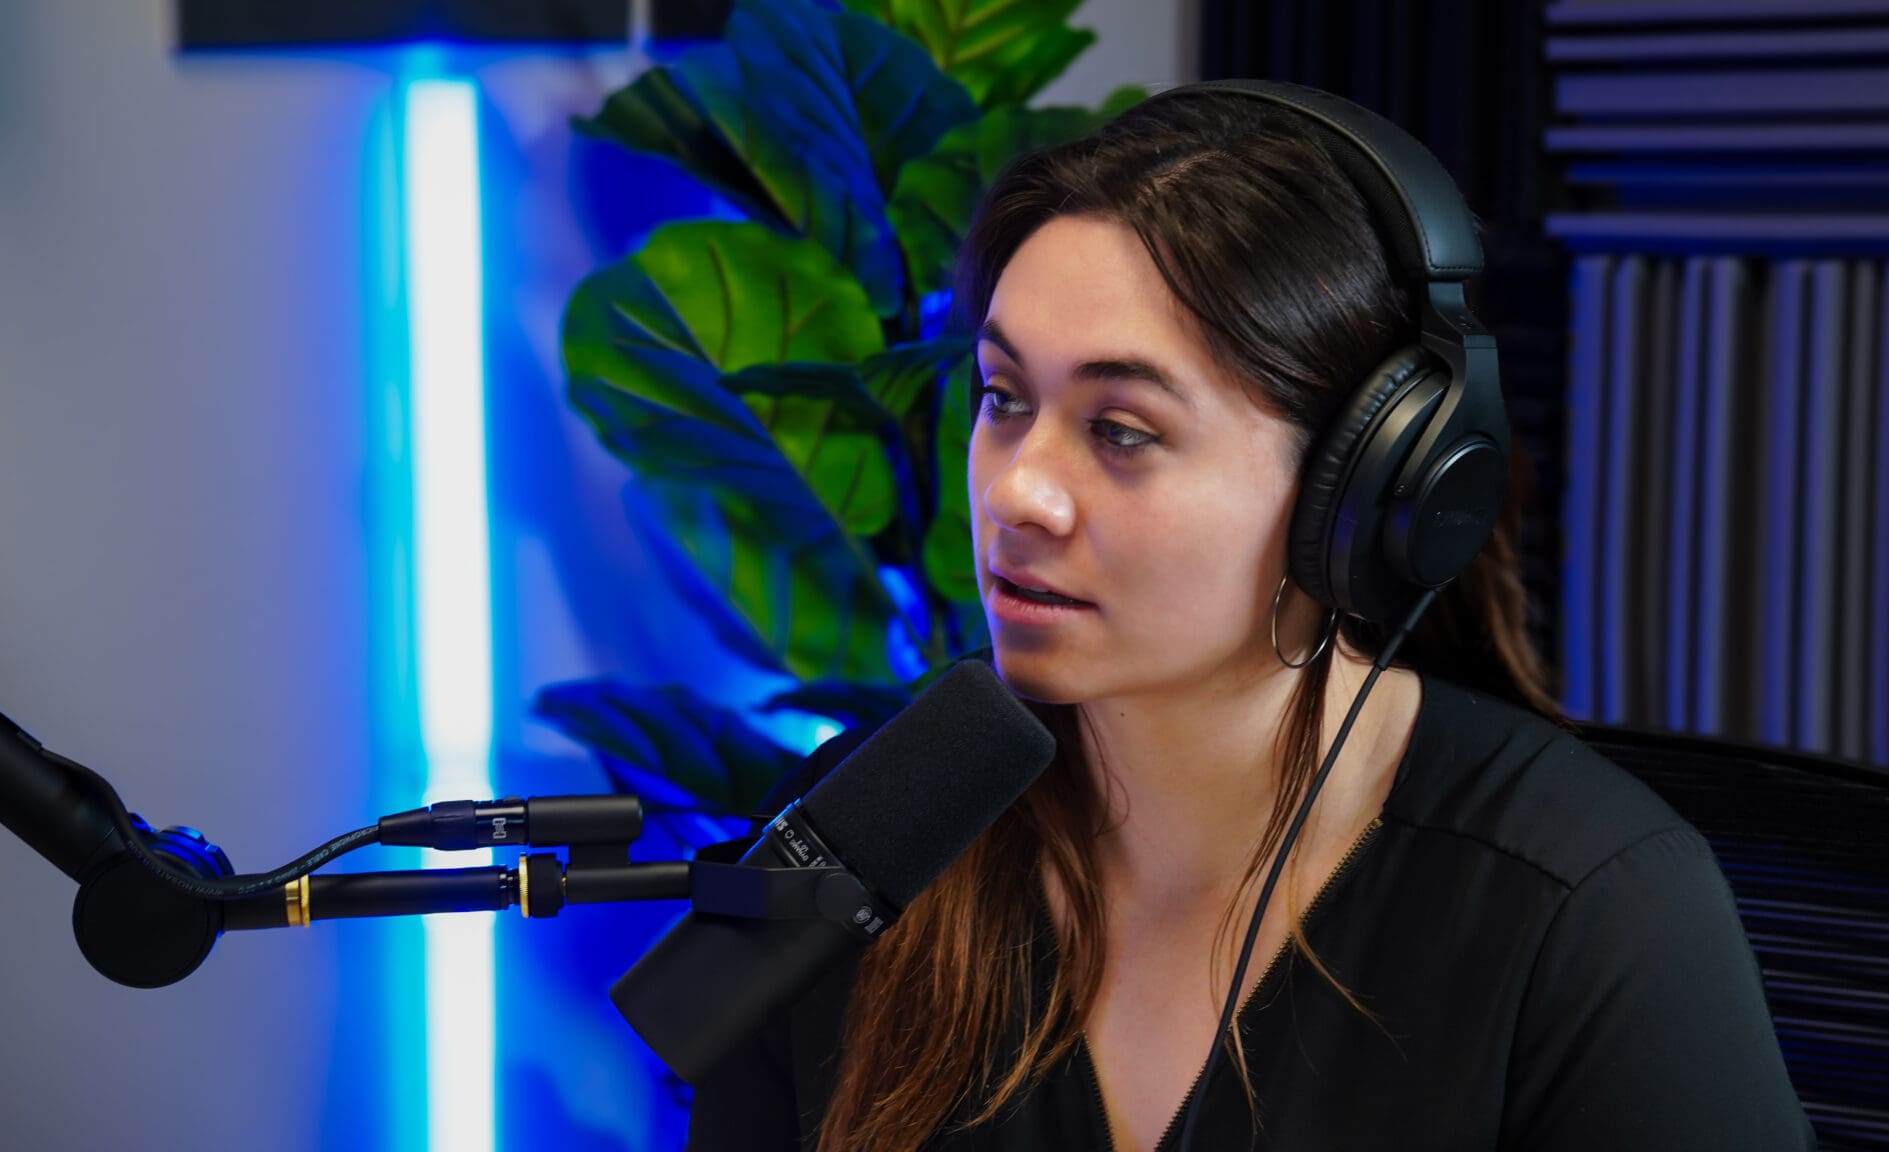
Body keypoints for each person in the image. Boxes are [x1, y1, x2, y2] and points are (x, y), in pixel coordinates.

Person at [685, 83, 1815, 1151]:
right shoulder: (863, 835)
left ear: (1359, 495)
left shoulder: (1586, 905)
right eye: (1003, 398)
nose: (1017, 491)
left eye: (1121, 429)